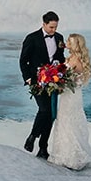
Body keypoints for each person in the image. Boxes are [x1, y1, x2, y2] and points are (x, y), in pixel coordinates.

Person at [19, 10, 65, 159]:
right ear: (44, 24)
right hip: (36, 80)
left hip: (54, 81)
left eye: (56, 27)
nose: (54, 30)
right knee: (44, 110)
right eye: (51, 27)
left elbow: (60, 58)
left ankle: (43, 148)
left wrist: (62, 72)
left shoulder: (59, 38)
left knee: (51, 114)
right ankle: (32, 136)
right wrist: (28, 78)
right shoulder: (32, 38)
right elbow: (23, 60)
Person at [49, 33, 91, 170]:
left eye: (69, 41)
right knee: (64, 120)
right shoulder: (71, 57)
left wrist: (61, 83)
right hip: (66, 95)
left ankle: (73, 155)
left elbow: (76, 81)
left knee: (69, 121)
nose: (66, 43)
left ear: (75, 44)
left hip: (72, 95)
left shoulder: (77, 60)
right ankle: (62, 152)